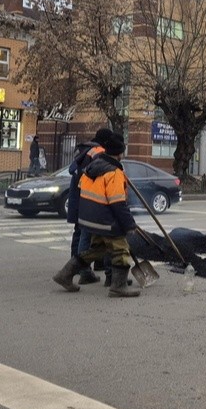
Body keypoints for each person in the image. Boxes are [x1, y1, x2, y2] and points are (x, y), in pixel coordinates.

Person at [52, 132, 140, 298]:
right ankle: (118, 287)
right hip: (105, 220)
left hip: (88, 219)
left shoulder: (92, 168)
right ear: (119, 153)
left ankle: (64, 275)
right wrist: (129, 225)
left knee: (97, 249)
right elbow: (117, 203)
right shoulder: (113, 172)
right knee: (121, 250)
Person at [66, 127, 116, 286]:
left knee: (80, 232)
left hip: (78, 198)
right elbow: (98, 176)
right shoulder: (98, 153)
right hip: (89, 199)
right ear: (106, 141)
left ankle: (77, 267)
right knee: (87, 233)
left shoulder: (84, 150)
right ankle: (84, 270)